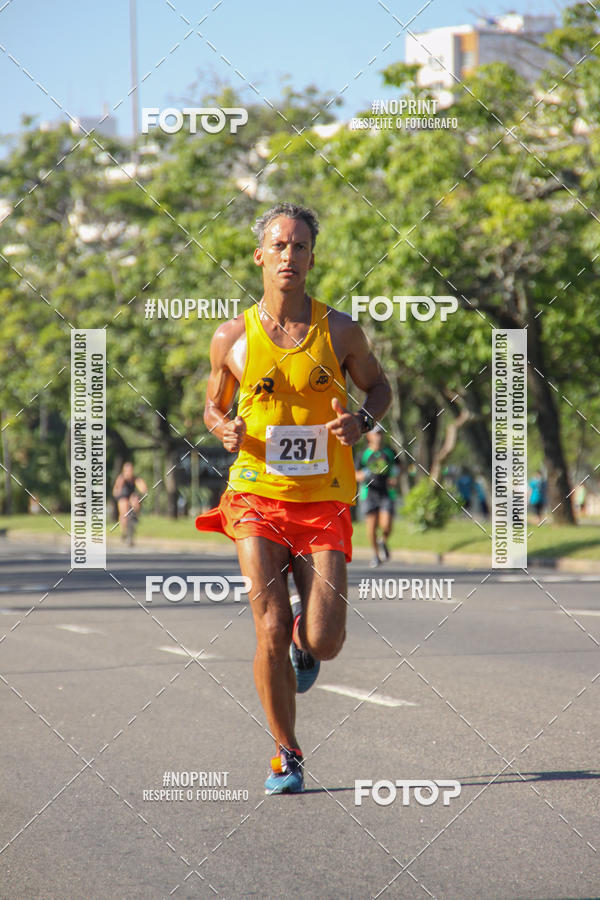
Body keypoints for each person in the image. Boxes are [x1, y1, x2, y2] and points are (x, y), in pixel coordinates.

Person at [195, 202, 391, 794]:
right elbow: (213, 404)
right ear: (260, 257)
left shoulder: (340, 331)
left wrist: (361, 421)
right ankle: (286, 752)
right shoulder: (232, 336)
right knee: (270, 625)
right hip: (256, 495)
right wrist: (222, 428)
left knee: (325, 640)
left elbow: (380, 386)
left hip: (325, 499)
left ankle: (308, 647)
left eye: (300, 246)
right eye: (279, 246)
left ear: (312, 257)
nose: (289, 255)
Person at [356, 425, 397, 567]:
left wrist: (395, 477)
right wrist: (361, 476)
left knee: (386, 525)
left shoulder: (390, 452)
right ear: (369, 436)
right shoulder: (363, 454)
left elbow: (400, 467)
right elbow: (355, 473)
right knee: (372, 527)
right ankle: (375, 555)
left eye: (380, 433)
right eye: (375, 434)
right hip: (369, 493)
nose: (378, 436)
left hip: (386, 492)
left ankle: (383, 541)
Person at [112, 461, 148, 541]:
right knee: (123, 508)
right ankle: (124, 531)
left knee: (135, 501)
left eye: (130, 470)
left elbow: (142, 486)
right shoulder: (121, 478)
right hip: (122, 496)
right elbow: (116, 490)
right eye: (127, 470)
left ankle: (135, 518)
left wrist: (144, 491)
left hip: (131, 496)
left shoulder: (134, 479)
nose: (129, 472)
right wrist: (118, 492)